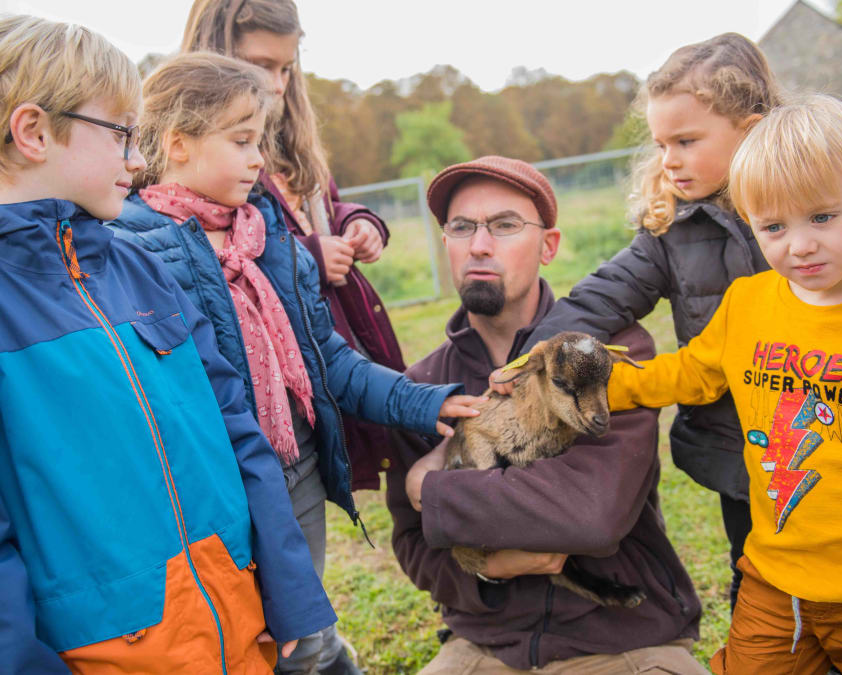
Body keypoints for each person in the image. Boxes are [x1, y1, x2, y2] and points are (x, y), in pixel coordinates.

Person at [106, 52, 484, 675]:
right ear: (177, 143)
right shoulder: (130, 246)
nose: (259, 160)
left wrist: (426, 400)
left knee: (301, 630)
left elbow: (329, 361)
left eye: (260, 141)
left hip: (297, 466)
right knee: (245, 633)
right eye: (242, 142)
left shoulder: (272, 243)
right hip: (211, 484)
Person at [516, 33, 842, 611]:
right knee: (757, 582)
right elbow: (604, 296)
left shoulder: (832, 206)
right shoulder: (670, 231)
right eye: (661, 143)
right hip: (737, 451)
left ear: (747, 131)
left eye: (686, 140)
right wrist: (537, 356)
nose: (668, 159)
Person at [0, 16, 336, 673]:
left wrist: (291, 590)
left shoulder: (146, 268)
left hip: (238, 630)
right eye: (121, 133)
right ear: (35, 132)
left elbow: (237, 428)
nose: (137, 157)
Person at [607, 94, 842, 674]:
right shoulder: (749, 302)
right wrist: (600, 387)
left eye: (822, 217)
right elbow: (693, 372)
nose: (799, 245)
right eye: (773, 226)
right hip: (772, 578)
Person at [387, 155, 705, 673]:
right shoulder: (420, 386)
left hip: (621, 640)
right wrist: (489, 569)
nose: (480, 245)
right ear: (444, 242)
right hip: (485, 647)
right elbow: (411, 543)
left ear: (549, 245)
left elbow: (592, 515)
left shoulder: (604, 352)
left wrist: (434, 491)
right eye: (462, 227)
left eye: (506, 225)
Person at [181, 0, 406, 493]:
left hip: (329, 335)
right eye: (262, 66)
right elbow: (216, 253)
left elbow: (321, 204)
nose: (279, 84)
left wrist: (358, 222)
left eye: (287, 68)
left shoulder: (290, 138)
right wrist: (309, 255)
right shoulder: (200, 159)